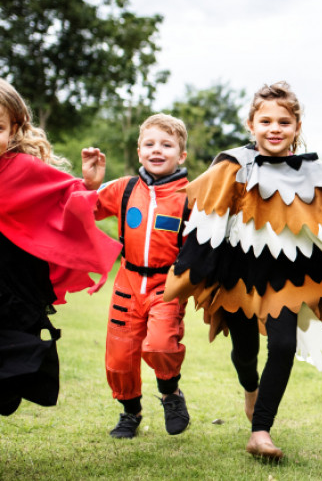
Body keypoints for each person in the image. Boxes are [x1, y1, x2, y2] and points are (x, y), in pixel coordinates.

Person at [164, 82, 322, 462]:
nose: (275, 128)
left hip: (287, 277)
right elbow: (194, 209)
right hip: (237, 274)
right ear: (251, 124)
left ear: (296, 126)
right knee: (245, 352)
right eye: (266, 121)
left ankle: (261, 430)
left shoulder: (318, 173)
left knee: (284, 346)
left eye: (284, 122)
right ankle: (250, 389)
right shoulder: (231, 167)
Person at [0, 78, 121, 416]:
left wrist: (90, 185)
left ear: (13, 131)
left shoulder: (22, 168)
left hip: (16, 285)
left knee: (8, 387)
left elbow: (66, 199)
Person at [81, 114, 191, 439]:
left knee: (160, 346)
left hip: (167, 286)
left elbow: (203, 245)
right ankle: (130, 413)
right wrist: (89, 184)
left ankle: (171, 394)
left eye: (167, 145)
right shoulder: (124, 188)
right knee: (120, 355)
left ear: (181, 155)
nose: (157, 150)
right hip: (127, 283)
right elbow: (86, 208)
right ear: (139, 151)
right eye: (150, 144)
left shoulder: (190, 197)